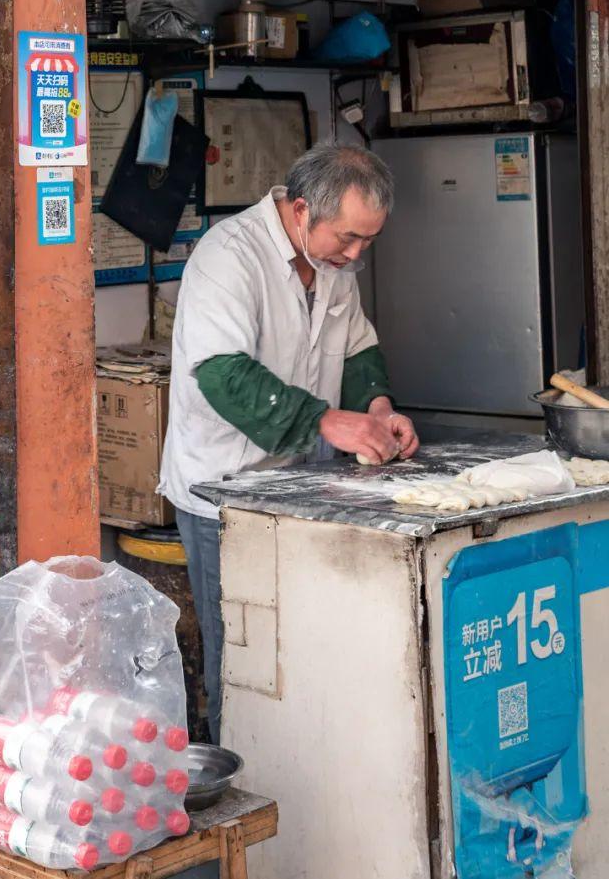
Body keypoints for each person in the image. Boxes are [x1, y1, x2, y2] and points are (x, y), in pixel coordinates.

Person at [158, 142, 418, 742]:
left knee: (306, 658)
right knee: (245, 665)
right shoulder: (229, 256)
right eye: (348, 238)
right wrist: (330, 422)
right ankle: (244, 783)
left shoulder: (333, 267)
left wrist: (378, 407)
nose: (356, 255)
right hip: (225, 488)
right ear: (302, 210)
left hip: (302, 484)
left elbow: (354, 346)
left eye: (367, 242)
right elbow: (222, 373)